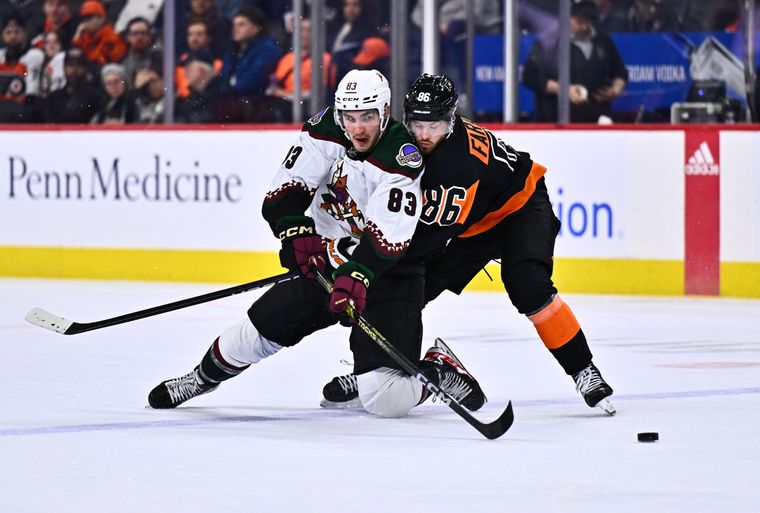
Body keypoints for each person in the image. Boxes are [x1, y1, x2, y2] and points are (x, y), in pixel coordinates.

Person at [147, 69, 487, 418]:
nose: (358, 128)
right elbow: (287, 189)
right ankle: (200, 379)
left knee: (385, 399)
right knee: (248, 337)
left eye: (368, 117)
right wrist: (294, 231)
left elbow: (388, 238)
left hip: (387, 272)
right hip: (326, 260)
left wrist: (358, 275)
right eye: (350, 117)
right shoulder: (325, 129)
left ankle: (437, 369)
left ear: (385, 113)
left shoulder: (401, 158)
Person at [321, 73, 615, 416]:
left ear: (451, 119)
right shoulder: (401, 143)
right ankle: (378, 370)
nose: (424, 135)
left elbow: (426, 238)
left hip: (519, 208)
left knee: (528, 286)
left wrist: (367, 267)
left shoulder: (458, 163)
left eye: (436, 125)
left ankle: (584, 369)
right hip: (470, 224)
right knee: (408, 289)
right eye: (417, 123)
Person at [522, 0, 627, 122]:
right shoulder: (551, 42)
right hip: (557, 121)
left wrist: (615, 89)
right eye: (579, 22)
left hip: (597, 119)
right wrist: (565, 90)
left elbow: (620, 72)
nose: (584, 27)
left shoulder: (603, 40)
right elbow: (530, 77)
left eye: (588, 22)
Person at [72, 0, 127, 66]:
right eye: (83, 18)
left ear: (102, 18)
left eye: (89, 17)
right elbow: (73, 57)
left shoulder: (112, 38)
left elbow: (105, 64)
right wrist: (77, 34)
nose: (85, 22)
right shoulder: (84, 36)